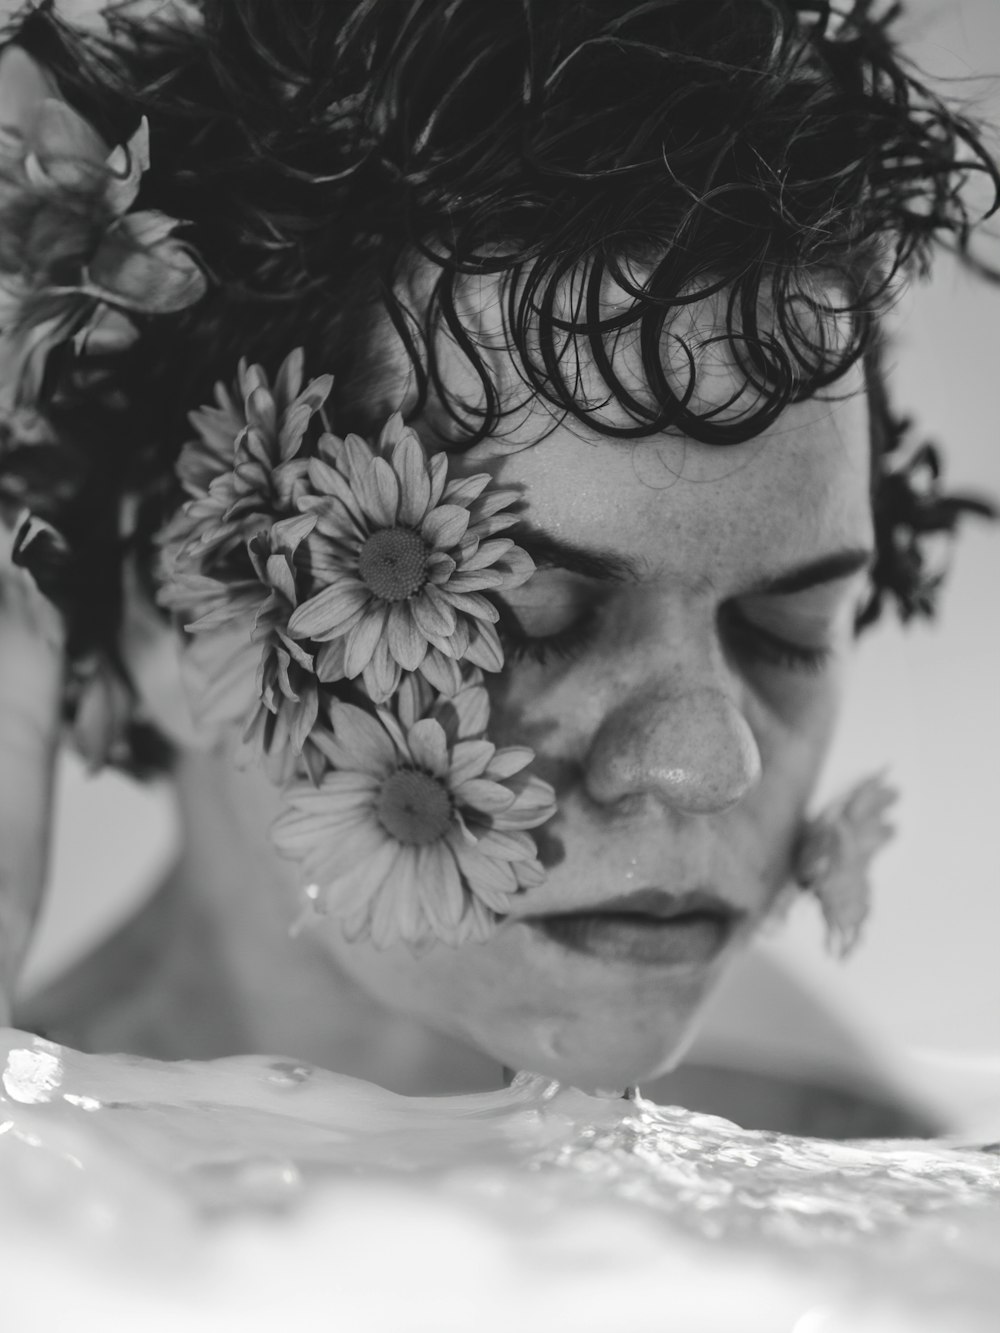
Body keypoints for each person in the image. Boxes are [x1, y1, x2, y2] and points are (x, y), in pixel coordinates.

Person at [0, 0, 994, 1118]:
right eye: (527, 616)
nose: (710, 765)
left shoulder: (862, 1199)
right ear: (162, 609)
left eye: (787, 630)